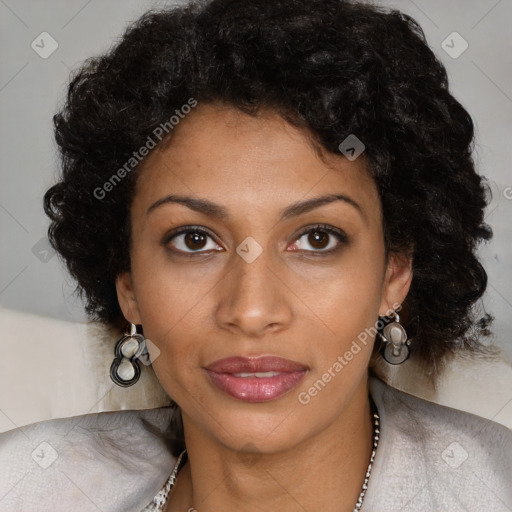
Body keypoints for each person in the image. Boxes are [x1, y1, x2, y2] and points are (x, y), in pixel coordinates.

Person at [1, 0, 511, 510]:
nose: (250, 311)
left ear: (394, 273)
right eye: (194, 240)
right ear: (128, 285)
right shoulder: (25, 484)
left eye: (316, 239)